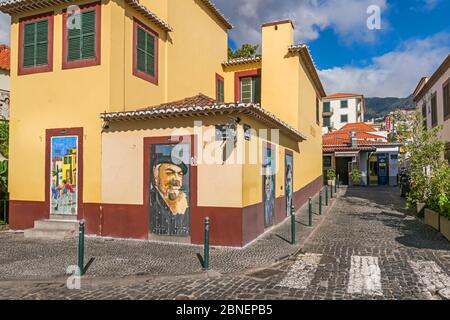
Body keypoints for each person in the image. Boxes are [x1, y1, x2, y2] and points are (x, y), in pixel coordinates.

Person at [150, 155, 190, 237]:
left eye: (180, 174)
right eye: (169, 173)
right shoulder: (151, 201)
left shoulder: (185, 203)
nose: (176, 179)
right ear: (156, 176)